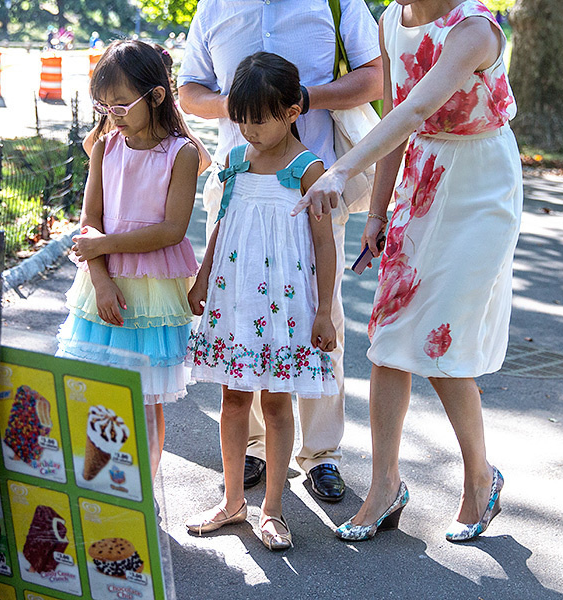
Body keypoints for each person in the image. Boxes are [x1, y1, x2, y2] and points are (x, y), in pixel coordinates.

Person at [294, 0, 521, 542]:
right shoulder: (391, 19)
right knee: (389, 338)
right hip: (422, 179)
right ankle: (384, 485)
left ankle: (479, 477)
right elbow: (397, 117)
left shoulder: (473, 30)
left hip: (480, 183)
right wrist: (376, 211)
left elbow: (416, 111)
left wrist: (342, 170)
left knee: (440, 336)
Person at [178, 0, 383, 501]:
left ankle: (321, 454)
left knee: (319, 313)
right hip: (239, 188)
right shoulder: (213, 7)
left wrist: (302, 100)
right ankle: (251, 448)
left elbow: (376, 77)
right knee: (240, 311)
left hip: (310, 186)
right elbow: (188, 92)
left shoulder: (338, 3)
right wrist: (245, 109)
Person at [185, 52, 338, 551]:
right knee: (232, 400)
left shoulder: (307, 170)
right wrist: (203, 279)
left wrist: (322, 311)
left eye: (259, 120)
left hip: (285, 306)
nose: (248, 131)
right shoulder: (232, 163)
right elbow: (221, 228)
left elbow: (323, 245)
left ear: (293, 111)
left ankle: (271, 509)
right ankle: (232, 500)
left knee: (275, 403)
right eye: (241, 121)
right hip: (235, 301)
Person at [57, 40, 201, 477]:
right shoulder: (104, 144)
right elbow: (91, 219)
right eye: (104, 106)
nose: (111, 114)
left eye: (120, 104)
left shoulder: (183, 153)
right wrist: (100, 280)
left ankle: (140, 494)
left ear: (156, 96)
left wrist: (103, 245)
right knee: (98, 394)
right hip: (103, 286)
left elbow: (171, 230)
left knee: (143, 399)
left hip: (151, 292)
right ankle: (96, 483)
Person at [83, 43, 212, 176]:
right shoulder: (118, 111)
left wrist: (172, 181)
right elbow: (89, 143)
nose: (113, 116)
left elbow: (203, 160)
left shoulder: (170, 117)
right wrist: (110, 174)